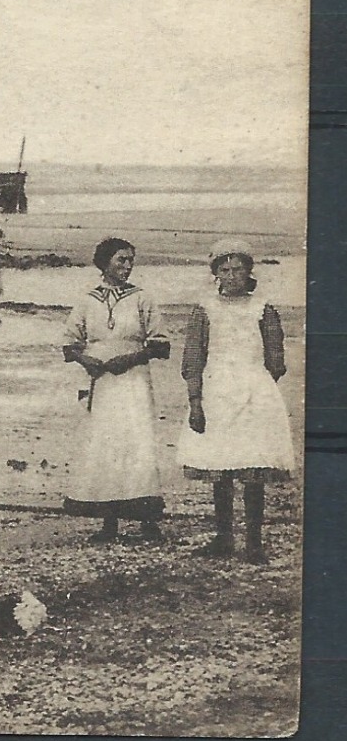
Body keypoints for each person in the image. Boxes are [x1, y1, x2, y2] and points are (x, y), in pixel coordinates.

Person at [179, 240, 295, 563]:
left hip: (254, 393)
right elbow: (193, 358)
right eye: (224, 270)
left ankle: (254, 543)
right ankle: (224, 538)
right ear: (215, 273)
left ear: (249, 272)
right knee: (222, 465)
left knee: (253, 467)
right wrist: (196, 401)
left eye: (238, 269)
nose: (231, 276)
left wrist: (258, 388)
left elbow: (276, 357)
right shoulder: (204, 309)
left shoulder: (263, 308)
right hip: (217, 393)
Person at [60, 237, 171, 544]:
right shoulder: (87, 300)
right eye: (121, 260)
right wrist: (88, 361)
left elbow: (160, 345)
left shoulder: (142, 299)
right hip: (103, 383)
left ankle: (148, 520)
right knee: (105, 446)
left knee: (138, 444)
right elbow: (69, 343)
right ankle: (109, 522)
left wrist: (131, 358)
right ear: (105, 262)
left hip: (133, 380)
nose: (127, 266)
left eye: (130, 260)